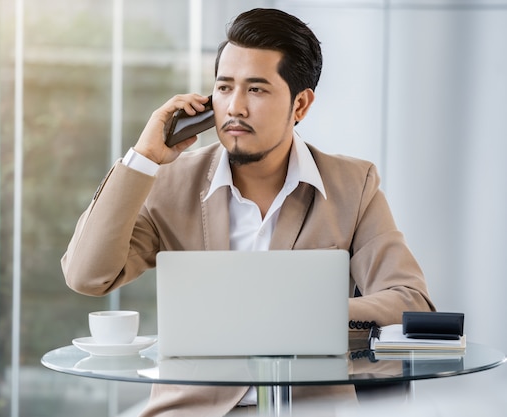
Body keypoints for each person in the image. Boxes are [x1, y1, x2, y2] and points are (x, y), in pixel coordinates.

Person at [61, 8, 434, 417]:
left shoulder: (352, 184)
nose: (234, 107)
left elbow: (410, 302)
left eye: (256, 90)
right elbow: (88, 276)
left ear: (301, 105)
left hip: (310, 409)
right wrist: (144, 158)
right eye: (223, 88)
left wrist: (300, 317)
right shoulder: (170, 181)